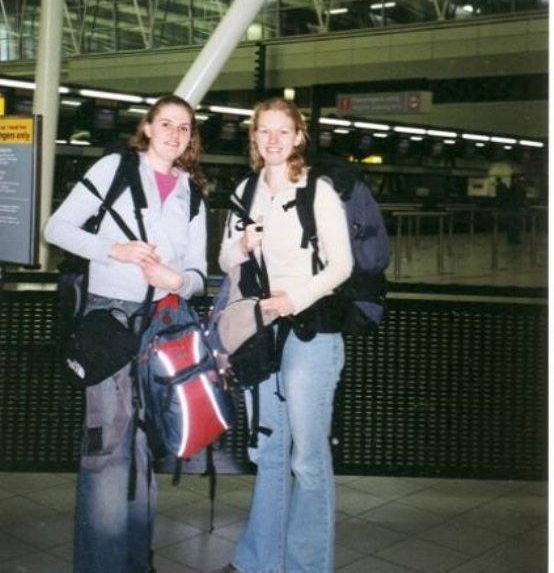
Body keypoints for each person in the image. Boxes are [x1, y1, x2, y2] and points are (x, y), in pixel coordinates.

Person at [44, 94, 208, 573]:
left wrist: (177, 280)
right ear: (148, 127)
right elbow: (57, 228)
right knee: (108, 447)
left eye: (184, 127)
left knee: (142, 443)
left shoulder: (192, 194)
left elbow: (199, 273)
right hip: (110, 322)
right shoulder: (114, 169)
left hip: (162, 326)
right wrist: (114, 249)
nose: (175, 134)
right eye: (167, 124)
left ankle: (135, 561)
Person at [218, 97, 353, 573]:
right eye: (264, 131)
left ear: (298, 137)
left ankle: (307, 566)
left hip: (309, 331)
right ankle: (260, 561)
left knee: (307, 458)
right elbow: (225, 260)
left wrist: (293, 298)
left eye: (282, 131)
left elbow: (342, 265)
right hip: (261, 333)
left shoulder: (317, 191)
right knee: (270, 450)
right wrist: (241, 244)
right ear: (253, 138)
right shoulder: (245, 190)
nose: (272, 140)